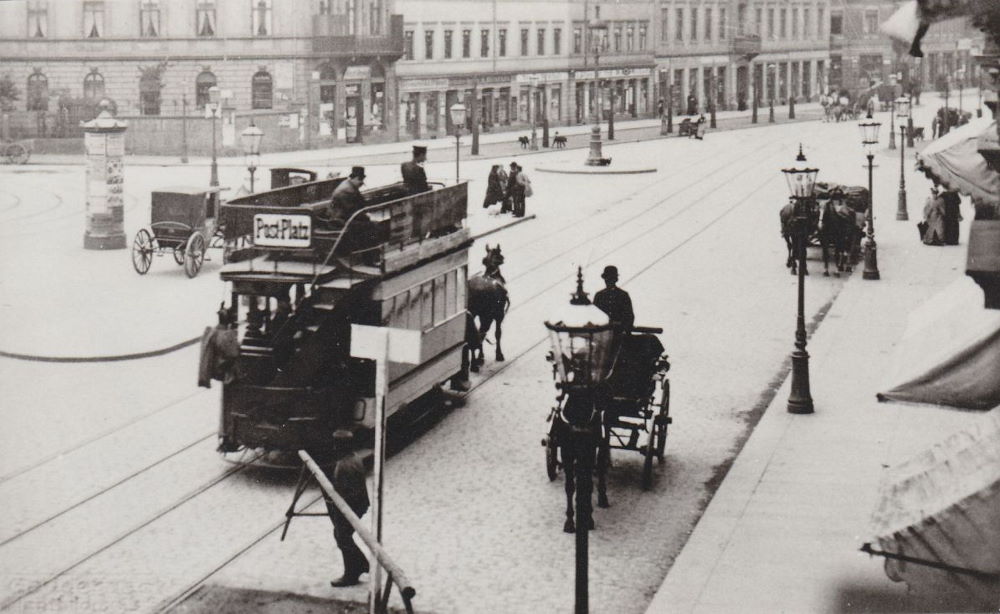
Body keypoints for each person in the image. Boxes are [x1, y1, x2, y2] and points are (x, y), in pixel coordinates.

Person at [325, 429, 371, 587]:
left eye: (336, 444)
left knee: (342, 537)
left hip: (351, 507)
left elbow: (347, 493)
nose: (333, 447)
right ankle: (360, 565)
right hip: (358, 505)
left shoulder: (345, 465)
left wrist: (334, 504)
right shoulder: (354, 458)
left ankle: (352, 574)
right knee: (341, 536)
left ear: (339, 447)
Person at [593, 265, 634, 330]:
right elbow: (594, 315)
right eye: (607, 279)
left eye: (611, 279)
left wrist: (620, 325)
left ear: (615, 280)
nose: (608, 281)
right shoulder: (599, 295)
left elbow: (629, 317)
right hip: (602, 332)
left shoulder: (623, 295)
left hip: (619, 333)